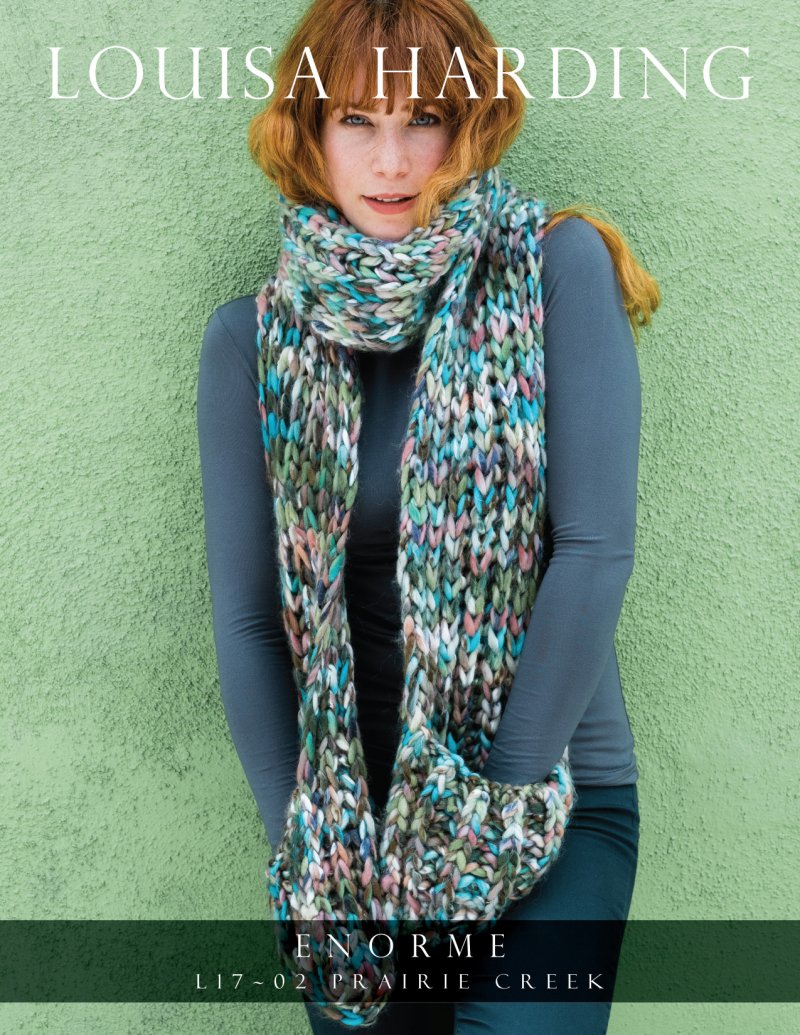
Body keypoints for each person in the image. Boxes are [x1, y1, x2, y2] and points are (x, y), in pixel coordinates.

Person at [197, 1, 660, 1032]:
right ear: (309, 133)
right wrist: (308, 853)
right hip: (355, 831)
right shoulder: (249, 343)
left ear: (470, 126)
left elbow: (594, 551)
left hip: (548, 795)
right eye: (357, 121)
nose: (392, 160)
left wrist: (484, 819)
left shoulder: (554, 267)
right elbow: (247, 621)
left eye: (425, 120)